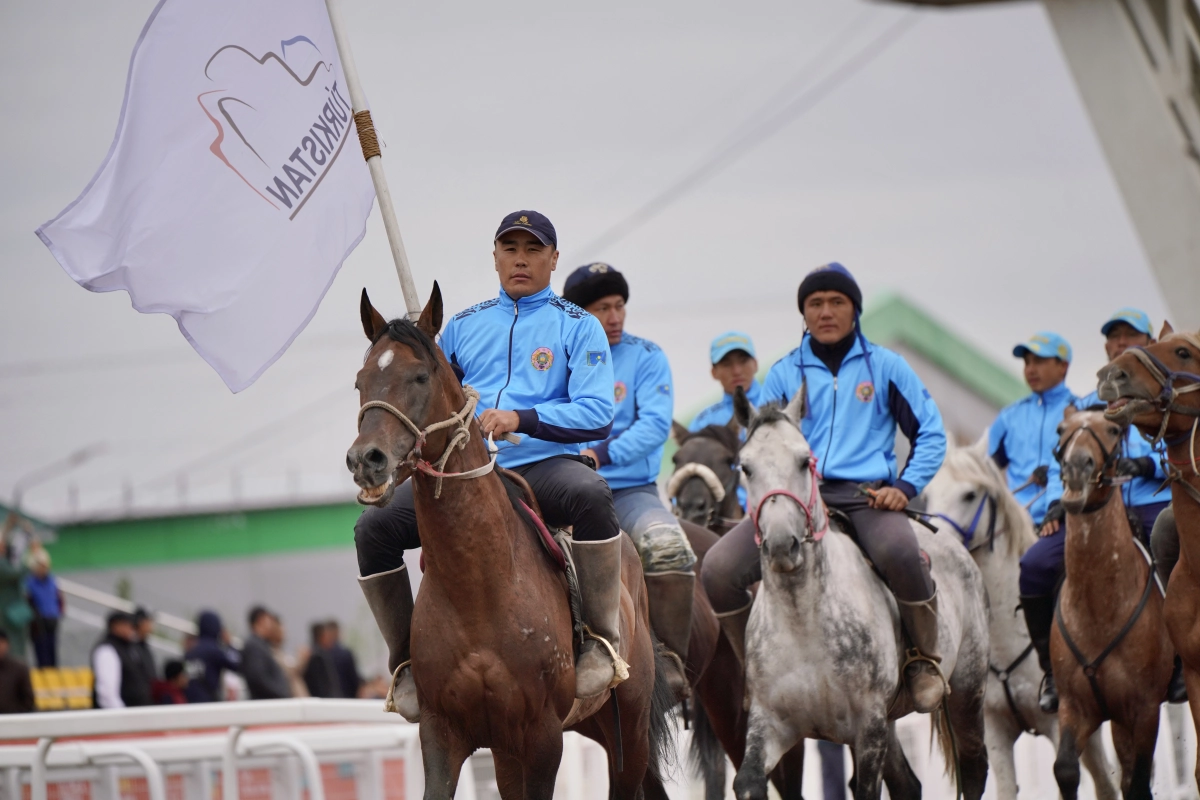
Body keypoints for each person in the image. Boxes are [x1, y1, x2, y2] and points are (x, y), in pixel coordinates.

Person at [353, 210, 620, 721]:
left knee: (590, 496)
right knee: (374, 530)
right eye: (510, 248)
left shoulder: (578, 325)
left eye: (533, 249)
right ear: (495, 257)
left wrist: (520, 417)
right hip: (462, 473)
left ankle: (601, 640)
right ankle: (406, 661)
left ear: (553, 259)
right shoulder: (461, 327)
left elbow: (598, 412)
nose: (521, 259)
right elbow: (427, 401)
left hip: (540, 466)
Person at [701, 263, 949, 713]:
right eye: (815, 303)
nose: (826, 311)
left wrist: (905, 487)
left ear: (855, 309)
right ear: (804, 313)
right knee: (717, 570)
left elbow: (930, 433)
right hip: (796, 497)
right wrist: (756, 508)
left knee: (901, 555)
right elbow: (758, 452)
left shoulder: (888, 368)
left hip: (868, 496)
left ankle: (922, 662)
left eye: (837, 302)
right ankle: (753, 668)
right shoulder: (782, 374)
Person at [563, 263, 697, 693]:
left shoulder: (647, 356)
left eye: (619, 306)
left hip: (631, 491)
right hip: (567, 490)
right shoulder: (558, 359)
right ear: (580, 315)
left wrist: (601, 453)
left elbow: (655, 426)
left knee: (668, 546)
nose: (615, 316)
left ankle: (672, 661)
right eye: (603, 308)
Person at [989, 331, 1076, 713]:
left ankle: (1053, 671)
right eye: (1027, 362)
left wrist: (1059, 505)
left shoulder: (1080, 409)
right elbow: (981, 467)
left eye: (1039, 360)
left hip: (1064, 521)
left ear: (1063, 365)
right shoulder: (1010, 416)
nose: (1031, 369)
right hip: (1014, 525)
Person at [690, 331, 765, 432]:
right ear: (714, 372)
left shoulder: (782, 406)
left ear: (755, 364)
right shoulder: (704, 423)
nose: (736, 371)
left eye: (743, 361)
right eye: (726, 364)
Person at [92, 611, 152, 708]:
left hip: (135, 713)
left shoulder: (131, 648)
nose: (131, 629)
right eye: (128, 625)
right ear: (115, 626)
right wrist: (121, 714)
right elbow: (107, 692)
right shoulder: (107, 650)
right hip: (120, 717)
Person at [183, 610, 240, 703]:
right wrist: (230, 644)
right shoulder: (214, 650)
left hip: (189, 701)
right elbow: (236, 664)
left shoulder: (190, 651)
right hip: (207, 702)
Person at [242, 606, 293, 700]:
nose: (272, 626)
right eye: (269, 621)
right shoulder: (254, 646)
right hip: (266, 703)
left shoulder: (262, 645)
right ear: (261, 621)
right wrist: (280, 693)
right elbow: (258, 678)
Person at [23, 548, 62, 668]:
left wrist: (58, 612)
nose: (43, 569)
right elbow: (27, 601)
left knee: (52, 650)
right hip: (38, 622)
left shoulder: (52, 580)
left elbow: (57, 597)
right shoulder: (29, 583)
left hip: (52, 619)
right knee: (41, 651)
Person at [303, 622, 343, 698]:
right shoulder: (318, 657)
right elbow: (322, 686)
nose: (330, 639)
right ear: (322, 636)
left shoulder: (316, 653)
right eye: (327, 635)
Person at [325, 620, 362, 699]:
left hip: (327, 699)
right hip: (347, 697)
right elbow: (354, 679)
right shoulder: (345, 654)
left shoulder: (319, 654)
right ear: (337, 632)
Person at [0, 630, 34, 713]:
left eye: (1, 643)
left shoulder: (19, 669)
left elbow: (28, 699)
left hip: (13, 719)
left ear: (7, 644)